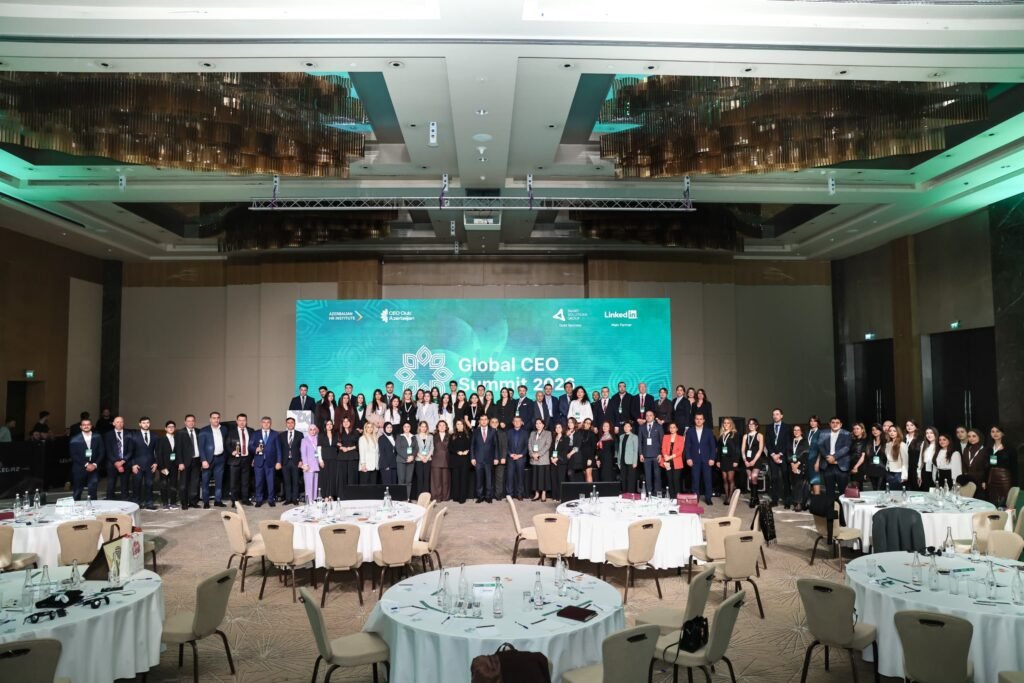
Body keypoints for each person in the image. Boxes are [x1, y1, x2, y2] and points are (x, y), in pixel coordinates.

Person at [69, 416, 104, 501]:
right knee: (77, 491)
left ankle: (93, 507)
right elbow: (73, 455)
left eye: (88, 424)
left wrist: (95, 464)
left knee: (93, 491)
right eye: (84, 425)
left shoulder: (97, 437)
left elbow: (102, 452)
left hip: (94, 468)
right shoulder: (74, 439)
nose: (86, 426)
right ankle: (76, 508)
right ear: (81, 427)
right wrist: (86, 464)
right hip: (79, 468)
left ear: (91, 426)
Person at [685, 413, 716, 505]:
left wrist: (712, 458)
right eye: (697, 419)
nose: (699, 421)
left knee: (707, 479)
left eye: (700, 419)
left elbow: (712, 446)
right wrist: (688, 458)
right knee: (695, 479)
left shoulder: (708, 431)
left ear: (703, 420)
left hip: (707, 459)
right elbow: (687, 447)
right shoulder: (690, 431)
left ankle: (708, 498)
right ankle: (696, 497)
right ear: (695, 420)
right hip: (694, 459)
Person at [818, 417, 851, 500]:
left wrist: (834, 457)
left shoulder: (847, 434)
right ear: (829, 424)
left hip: (841, 465)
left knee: (843, 492)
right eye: (833, 422)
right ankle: (830, 508)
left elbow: (846, 448)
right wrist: (828, 457)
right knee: (829, 491)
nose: (835, 424)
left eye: (837, 422)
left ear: (841, 424)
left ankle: (843, 508)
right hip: (827, 465)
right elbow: (820, 446)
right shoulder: (823, 433)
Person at [225, 413, 254, 506]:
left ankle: (245, 499)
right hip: (235, 460)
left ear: (246, 421)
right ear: (237, 421)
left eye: (244, 420)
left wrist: (254, 458)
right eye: (240, 420)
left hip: (247, 459)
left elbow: (253, 445)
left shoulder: (251, 431)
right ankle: (234, 501)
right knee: (234, 482)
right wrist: (232, 451)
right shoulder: (231, 432)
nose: (242, 422)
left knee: (246, 481)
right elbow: (227, 445)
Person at [130, 416, 158, 510]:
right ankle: (136, 503)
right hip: (137, 465)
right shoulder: (134, 436)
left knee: (149, 484)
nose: (146, 424)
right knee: (136, 484)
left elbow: (157, 451)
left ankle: (149, 503)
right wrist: (133, 464)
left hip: (150, 464)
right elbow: (130, 451)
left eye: (147, 422)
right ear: (140, 424)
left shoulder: (154, 435)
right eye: (143, 423)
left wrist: (156, 463)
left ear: (150, 424)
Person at [252, 417, 280, 508]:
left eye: (268, 422)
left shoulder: (275, 434)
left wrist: (278, 461)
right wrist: (255, 449)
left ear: (270, 423)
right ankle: (259, 500)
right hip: (259, 462)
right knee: (258, 482)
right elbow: (250, 445)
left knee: (271, 482)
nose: (266, 424)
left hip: (271, 462)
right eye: (264, 422)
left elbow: (278, 449)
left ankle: (271, 500)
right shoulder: (255, 433)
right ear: (261, 423)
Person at [104, 415, 133, 500]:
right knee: (111, 482)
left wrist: (123, 461)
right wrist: (116, 462)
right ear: (113, 423)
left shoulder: (129, 434)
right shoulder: (108, 435)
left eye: (121, 422)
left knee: (125, 482)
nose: (119, 424)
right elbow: (108, 450)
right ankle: (110, 499)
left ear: (123, 423)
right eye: (117, 422)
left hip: (125, 462)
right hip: (112, 462)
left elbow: (131, 450)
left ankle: (125, 498)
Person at [155, 420, 182, 509]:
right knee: (164, 484)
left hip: (174, 466)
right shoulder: (161, 439)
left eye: (172, 427)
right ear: (165, 428)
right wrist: (162, 467)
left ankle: (173, 502)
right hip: (164, 466)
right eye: (169, 427)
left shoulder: (176, 439)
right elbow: (159, 454)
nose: (171, 428)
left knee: (174, 484)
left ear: (175, 428)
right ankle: (165, 503)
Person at [765, 409, 789, 507]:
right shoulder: (769, 427)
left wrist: (780, 454)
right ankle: (774, 500)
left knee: (785, 478)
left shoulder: (787, 427)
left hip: (783, 456)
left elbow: (787, 442)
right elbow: (767, 442)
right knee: (774, 478)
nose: (775, 416)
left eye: (777, 414)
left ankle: (787, 501)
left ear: (782, 416)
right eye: (773, 414)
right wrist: (773, 454)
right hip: (772, 457)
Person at [471, 415, 498, 503]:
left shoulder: (493, 431)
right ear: (479, 421)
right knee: (479, 479)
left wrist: (496, 458)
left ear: (488, 421)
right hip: (478, 460)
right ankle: (480, 496)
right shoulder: (475, 431)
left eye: (485, 419)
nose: (483, 421)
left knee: (489, 479)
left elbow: (496, 446)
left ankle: (488, 496)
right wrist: (472, 458)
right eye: (481, 419)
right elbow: (472, 445)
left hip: (489, 459)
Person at [179, 414, 202, 509]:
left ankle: (193, 502)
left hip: (196, 460)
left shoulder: (199, 431)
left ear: (194, 422)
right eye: (188, 421)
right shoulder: (180, 433)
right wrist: (180, 462)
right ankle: (184, 503)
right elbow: (178, 449)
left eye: (192, 421)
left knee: (195, 483)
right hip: (185, 462)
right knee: (184, 483)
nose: (191, 423)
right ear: (185, 422)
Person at [986, 425, 1013, 506]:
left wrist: (1015, 484)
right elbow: (987, 466)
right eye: (993, 431)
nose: (995, 433)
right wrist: (985, 480)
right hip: (992, 478)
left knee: (1005, 503)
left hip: (1004, 479)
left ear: (1002, 433)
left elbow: (1014, 467)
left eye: (998, 431)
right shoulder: (989, 448)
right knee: (992, 502)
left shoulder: (1009, 448)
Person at [639, 410, 664, 495]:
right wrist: (641, 454)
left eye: (650, 415)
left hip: (656, 455)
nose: (648, 417)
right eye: (647, 415)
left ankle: (657, 493)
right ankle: (649, 493)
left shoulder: (659, 427)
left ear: (654, 417)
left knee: (657, 475)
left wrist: (660, 454)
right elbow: (640, 442)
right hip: (646, 455)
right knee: (647, 475)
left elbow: (662, 441)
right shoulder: (641, 427)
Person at [278, 417, 303, 504]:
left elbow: (302, 449)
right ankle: (288, 499)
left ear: (294, 424)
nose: (290, 424)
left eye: (292, 422)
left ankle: (295, 499)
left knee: (295, 481)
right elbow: (279, 449)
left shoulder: (300, 434)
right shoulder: (282, 435)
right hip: (285, 462)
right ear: (286, 424)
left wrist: (301, 460)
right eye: (288, 423)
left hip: (296, 461)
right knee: (286, 481)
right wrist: (279, 461)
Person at [743, 418, 765, 507]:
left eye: (753, 424)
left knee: (754, 477)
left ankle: (752, 498)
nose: (751, 425)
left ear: (756, 426)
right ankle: (756, 498)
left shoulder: (760, 435)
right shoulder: (745, 436)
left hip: (756, 460)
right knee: (750, 478)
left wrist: (754, 461)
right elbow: (742, 450)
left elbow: (760, 450)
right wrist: (745, 460)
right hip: (747, 461)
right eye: (749, 424)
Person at [528, 418, 552, 502]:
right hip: (534, 459)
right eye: (536, 423)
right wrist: (532, 454)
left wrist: (538, 454)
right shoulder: (532, 433)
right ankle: (537, 494)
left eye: (540, 423)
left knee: (543, 477)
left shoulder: (548, 433)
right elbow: (529, 444)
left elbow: (547, 445)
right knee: (535, 477)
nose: (538, 425)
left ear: (543, 425)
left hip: (543, 459)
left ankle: (543, 494)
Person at [505, 415, 529, 500]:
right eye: (515, 421)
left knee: (520, 477)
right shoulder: (508, 432)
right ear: (513, 422)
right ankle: (509, 495)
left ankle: (520, 494)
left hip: (521, 458)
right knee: (509, 477)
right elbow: (505, 445)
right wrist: (510, 454)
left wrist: (520, 455)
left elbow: (527, 446)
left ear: (521, 423)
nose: (517, 422)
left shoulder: (525, 433)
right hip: (510, 458)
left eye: (519, 421)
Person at [717, 417, 740, 503]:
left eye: (728, 423)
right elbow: (719, 449)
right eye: (725, 423)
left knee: (730, 478)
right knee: (724, 478)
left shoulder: (735, 434)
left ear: (731, 424)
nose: (726, 424)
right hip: (723, 459)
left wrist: (736, 460)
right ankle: (727, 496)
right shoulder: (721, 435)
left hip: (731, 459)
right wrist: (718, 460)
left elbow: (737, 448)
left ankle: (730, 496)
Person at [962, 428, 989, 498]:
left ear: (979, 437)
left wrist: (985, 481)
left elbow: (987, 467)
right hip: (968, 481)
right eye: (969, 436)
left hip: (980, 481)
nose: (971, 438)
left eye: (974, 436)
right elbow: (964, 465)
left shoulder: (985, 450)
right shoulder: (966, 450)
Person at [787, 424, 809, 511]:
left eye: (798, 430)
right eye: (794, 430)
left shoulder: (805, 441)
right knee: (794, 484)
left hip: (802, 465)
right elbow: (788, 453)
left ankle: (800, 503)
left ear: (801, 431)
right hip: (792, 466)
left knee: (800, 484)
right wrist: (792, 464)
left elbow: (806, 453)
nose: (796, 432)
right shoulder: (790, 441)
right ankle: (796, 502)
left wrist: (798, 464)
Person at [660, 421, 685, 496]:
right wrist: (665, 456)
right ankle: (671, 497)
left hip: (677, 461)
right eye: (670, 427)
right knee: (669, 480)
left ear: (677, 429)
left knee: (676, 480)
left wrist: (670, 457)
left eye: (674, 427)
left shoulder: (681, 438)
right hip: (667, 462)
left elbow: (680, 451)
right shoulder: (665, 437)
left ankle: (677, 497)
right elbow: (663, 449)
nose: (672, 429)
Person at [449, 420, 472, 503]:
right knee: (456, 479)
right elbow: (450, 447)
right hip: (455, 460)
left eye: (461, 424)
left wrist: (467, 451)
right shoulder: (452, 436)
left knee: (464, 479)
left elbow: (471, 445)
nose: (459, 425)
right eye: (457, 424)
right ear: (456, 426)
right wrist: (457, 452)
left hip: (465, 459)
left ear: (463, 425)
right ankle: (456, 497)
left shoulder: (468, 435)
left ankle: (462, 498)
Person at [318, 420, 342, 497]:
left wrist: (339, 444)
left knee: (333, 477)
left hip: (334, 459)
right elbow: (319, 448)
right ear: (325, 426)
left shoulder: (336, 435)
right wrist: (320, 460)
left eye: (331, 424)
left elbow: (337, 445)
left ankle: (331, 495)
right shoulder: (321, 435)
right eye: (327, 424)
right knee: (324, 478)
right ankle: (324, 496)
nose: (329, 425)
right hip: (324, 459)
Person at [300, 424, 323, 500]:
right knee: (309, 485)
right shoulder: (304, 440)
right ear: (308, 431)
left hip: (316, 465)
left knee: (315, 484)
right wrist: (305, 464)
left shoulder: (318, 439)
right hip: (308, 466)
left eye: (314, 429)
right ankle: (309, 501)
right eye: (311, 429)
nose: (313, 431)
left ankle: (314, 500)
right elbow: (303, 453)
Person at [337, 417, 360, 491]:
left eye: (347, 421)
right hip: (342, 457)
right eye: (344, 421)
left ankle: (352, 494)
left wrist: (349, 448)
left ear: (350, 422)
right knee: (342, 477)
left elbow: (358, 444)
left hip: (353, 456)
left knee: (352, 477)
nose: (346, 423)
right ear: (342, 423)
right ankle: (342, 494)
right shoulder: (339, 432)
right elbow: (336, 443)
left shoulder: (355, 432)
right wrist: (341, 448)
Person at [430, 419, 450, 501]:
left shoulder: (450, 436)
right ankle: (437, 497)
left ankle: (445, 497)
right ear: (437, 427)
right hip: (436, 460)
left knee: (445, 481)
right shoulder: (433, 436)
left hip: (446, 460)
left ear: (446, 427)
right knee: (436, 481)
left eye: (443, 425)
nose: (442, 427)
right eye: (440, 425)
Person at [396, 421, 417, 499]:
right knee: (401, 480)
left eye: (408, 426)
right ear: (403, 428)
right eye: (405, 426)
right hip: (401, 461)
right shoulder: (399, 436)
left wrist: (412, 457)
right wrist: (407, 457)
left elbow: (416, 448)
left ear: (410, 428)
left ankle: (407, 498)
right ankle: (401, 498)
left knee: (409, 480)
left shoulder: (413, 437)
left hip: (411, 461)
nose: (406, 428)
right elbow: (398, 449)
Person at [862, 424, 886, 491]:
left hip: (882, 469)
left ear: (881, 431)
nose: (875, 431)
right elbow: (866, 459)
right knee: (873, 490)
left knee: (879, 489)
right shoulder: (869, 443)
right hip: (871, 470)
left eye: (877, 429)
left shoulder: (885, 442)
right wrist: (865, 472)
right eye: (873, 430)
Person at [884, 424, 909, 490]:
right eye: (890, 431)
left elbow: (905, 461)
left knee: (897, 493)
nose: (892, 433)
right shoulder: (888, 444)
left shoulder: (902, 445)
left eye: (894, 431)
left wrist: (904, 475)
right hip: (889, 472)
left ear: (898, 432)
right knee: (890, 492)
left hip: (898, 473)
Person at [618, 421, 640, 493]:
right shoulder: (621, 436)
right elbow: (620, 450)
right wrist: (619, 462)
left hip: (631, 460)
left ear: (631, 428)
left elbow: (635, 450)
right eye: (625, 426)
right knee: (623, 477)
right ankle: (624, 492)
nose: (626, 428)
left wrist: (635, 462)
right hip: (622, 460)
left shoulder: (634, 437)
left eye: (628, 426)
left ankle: (630, 493)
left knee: (631, 477)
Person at [414, 421, 434, 498]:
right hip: (419, 460)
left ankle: (426, 498)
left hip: (428, 460)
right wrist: (421, 457)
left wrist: (427, 457)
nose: (424, 428)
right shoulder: (415, 437)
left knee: (426, 479)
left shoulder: (430, 436)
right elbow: (415, 448)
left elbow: (432, 448)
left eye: (425, 426)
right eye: (422, 426)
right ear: (419, 427)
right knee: (420, 479)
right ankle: (419, 497)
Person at [805, 416, 823, 497]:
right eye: (811, 421)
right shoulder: (806, 432)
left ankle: (817, 499)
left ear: (818, 423)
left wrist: (818, 462)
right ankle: (811, 500)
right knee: (808, 480)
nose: (812, 422)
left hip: (815, 459)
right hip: (806, 459)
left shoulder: (820, 433)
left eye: (814, 421)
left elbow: (821, 449)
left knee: (815, 479)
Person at [550, 422, 570, 495]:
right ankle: (554, 496)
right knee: (554, 479)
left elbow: (565, 450)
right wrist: (551, 458)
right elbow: (551, 449)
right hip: (553, 461)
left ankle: (560, 496)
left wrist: (557, 458)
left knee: (560, 479)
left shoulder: (566, 438)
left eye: (559, 427)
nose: (557, 429)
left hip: (561, 461)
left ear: (562, 428)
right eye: (556, 427)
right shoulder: (553, 437)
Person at [904, 420, 923, 491]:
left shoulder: (920, 439)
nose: (909, 427)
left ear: (916, 427)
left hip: (915, 467)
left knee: (915, 488)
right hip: (904, 467)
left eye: (912, 425)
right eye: (907, 425)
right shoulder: (903, 438)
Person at [847, 423, 868, 489]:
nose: (855, 430)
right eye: (854, 429)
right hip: (851, 466)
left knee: (858, 488)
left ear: (862, 430)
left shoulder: (865, 441)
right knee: (852, 488)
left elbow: (863, 456)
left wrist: (856, 467)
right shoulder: (852, 440)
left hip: (859, 467)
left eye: (857, 429)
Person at [378, 422, 398, 486]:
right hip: (386, 465)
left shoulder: (394, 437)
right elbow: (382, 453)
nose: (389, 429)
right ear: (384, 428)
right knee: (387, 484)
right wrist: (386, 466)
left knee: (393, 483)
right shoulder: (381, 438)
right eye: (387, 427)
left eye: (390, 427)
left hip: (394, 464)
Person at [579, 418, 596, 483]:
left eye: (589, 423)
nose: (587, 424)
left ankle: (590, 489)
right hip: (581, 456)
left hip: (589, 456)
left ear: (590, 425)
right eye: (586, 422)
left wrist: (590, 458)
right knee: (584, 475)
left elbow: (593, 447)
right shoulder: (580, 432)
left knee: (588, 474)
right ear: (584, 423)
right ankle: (586, 488)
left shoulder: (592, 434)